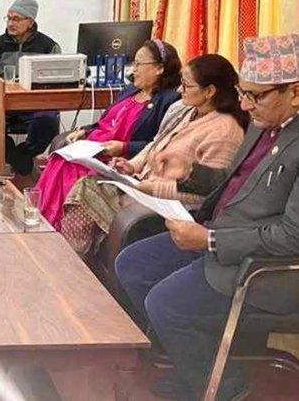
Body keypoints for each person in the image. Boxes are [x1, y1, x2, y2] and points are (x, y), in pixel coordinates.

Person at [116, 33, 299, 401]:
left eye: (256, 96)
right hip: (217, 233)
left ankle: (226, 385)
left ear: (294, 92)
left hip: (256, 264)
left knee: (165, 304)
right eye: (243, 93)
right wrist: (189, 172)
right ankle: (191, 362)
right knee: (133, 265)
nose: (244, 105)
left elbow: (291, 236)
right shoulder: (262, 126)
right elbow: (233, 182)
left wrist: (211, 240)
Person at [58, 54, 247, 257]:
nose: (179, 90)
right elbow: (155, 143)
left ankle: (71, 261)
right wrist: (132, 165)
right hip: (142, 185)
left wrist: (152, 188)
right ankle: (72, 257)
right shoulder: (186, 112)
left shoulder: (224, 131)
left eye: (186, 85)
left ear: (209, 91)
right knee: (87, 184)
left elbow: (207, 193)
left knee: (87, 190)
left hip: (167, 202)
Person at [36, 39, 182, 229]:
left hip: (119, 157)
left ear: (159, 68)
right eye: (134, 63)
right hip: (95, 147)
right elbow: (106, 121)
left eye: (139, 64)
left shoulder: (170, 100)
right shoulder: (130, 90)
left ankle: (55, 227)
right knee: (60, 158)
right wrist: (85, 130)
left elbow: (159, 143)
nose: (134, 69)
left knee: (72, 169)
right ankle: (40, 220)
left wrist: (124, 147)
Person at [0, 0, 61, 175]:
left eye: (16, 19)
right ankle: (16, 157)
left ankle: (24, 153)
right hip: (3, 104)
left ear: (30, 22)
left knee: (49, 123)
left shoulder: (48, 46)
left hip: (36, 105)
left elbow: (57, 79)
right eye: (8, 18)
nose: (10, 23)